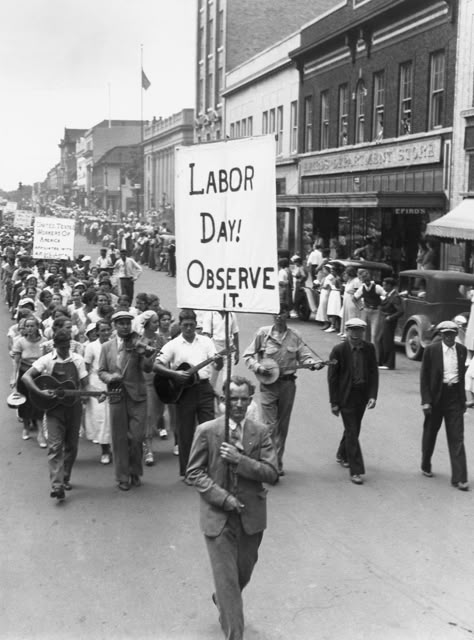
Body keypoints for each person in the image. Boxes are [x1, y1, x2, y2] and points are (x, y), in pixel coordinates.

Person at [186, 375, 278, 640]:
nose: (238, 404)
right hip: (218, 519)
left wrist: (240, 460)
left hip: (251, 519)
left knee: (241, 575)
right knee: (228, 583)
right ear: (222, 401)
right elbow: (194, 473)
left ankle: (223, 600)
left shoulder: (260, 432)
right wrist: (223, 498)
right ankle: (234, 633)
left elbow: (272, 472)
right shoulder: (207, 431)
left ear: (250, 401)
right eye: (232, 399)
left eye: (243, 399)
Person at [243, 303, 323, 476]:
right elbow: (247, 355)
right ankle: (268, 462)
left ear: (288, 315)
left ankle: (277, 462)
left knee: (282, 426)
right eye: (276, 313)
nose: (279, 316)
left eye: (283, 313)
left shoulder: (295, 336)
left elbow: (305, 356)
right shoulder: (263, 334)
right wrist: (258, 367)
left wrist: (313, 364)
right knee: (269, 426)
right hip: (268, 386)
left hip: (287, 384)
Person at [21, 329, 89, 501]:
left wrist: (93, 394)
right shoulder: (46, 360)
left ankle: (65, 476)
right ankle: (57, 485)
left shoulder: (78, 360)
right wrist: (40, 393)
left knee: (72, 445)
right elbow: (26, 378)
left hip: (74, 407)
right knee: (55, 446)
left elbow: (85, 385)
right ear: (55, 345)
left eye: (68, 346)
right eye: (62, 347)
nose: (65, 350)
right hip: (54, 410)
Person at [153, 308, 222, 478]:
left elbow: (217, 366)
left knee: (209, 429)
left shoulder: (206, 342)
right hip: (184, 391)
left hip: (204, 388)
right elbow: (156, 365)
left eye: (192, 325)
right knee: (185, 432)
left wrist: (219, 362)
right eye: (185, 325)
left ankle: (210, 469)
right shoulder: (173, 344)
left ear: (196, 324)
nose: (189, 328)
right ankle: (187, 471)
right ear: (180, 325)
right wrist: (175, 374)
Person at [98, 310, 155, 491]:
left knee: (137, 437)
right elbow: (101, 371)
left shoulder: (141, 342)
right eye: (121, 323)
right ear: (115, 326)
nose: (125, 326)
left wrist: (146, 354)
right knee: (120, 438)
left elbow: (147, 368)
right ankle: (122, 476)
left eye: (127, 323)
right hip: (116, 394)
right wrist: (110, 377)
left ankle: (135, 470)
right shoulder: (107, 347)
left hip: (137, 396)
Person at [327, 318, 379, 485]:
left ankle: (342, 453)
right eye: (352, 330)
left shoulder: (369, 349)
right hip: (345, 396)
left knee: (353, 429)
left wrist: (372, 396)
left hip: (362, 395)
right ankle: (356, 470)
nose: (355, 334)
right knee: (351, 430)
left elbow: (373, 374)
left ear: (363, 332)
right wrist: (334, 402)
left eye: (359, 331)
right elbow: (332, 378)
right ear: (347, 331)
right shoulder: (339, 350)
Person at [420, 321, 469, 491]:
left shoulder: (461, 351)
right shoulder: (431, 350)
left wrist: (463, 400)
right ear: (441, 335)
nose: (449, 337)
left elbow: (462, 377)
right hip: (435, 397)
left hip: (454, 397)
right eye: (445, 334)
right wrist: (426, 401)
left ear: (456, 335)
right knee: (430, 433)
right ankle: (426, 463)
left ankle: (460, 478)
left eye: (452, 334)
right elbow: (424, 377)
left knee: (457, 437)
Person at [353, 269, 384, 360]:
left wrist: (381, 305)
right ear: (362, 280)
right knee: (364, 333)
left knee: (374, 335)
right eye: (364, 279)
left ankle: (375, 358)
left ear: (370, 278)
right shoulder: (362, 288)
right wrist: (360, 307)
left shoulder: (377, 287)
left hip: (375, 311)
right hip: (366, 310)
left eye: (367, 279)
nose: (366, 281)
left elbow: (385, 296)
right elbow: (354, 298)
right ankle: (364, 355)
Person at [377, 277, 404, 370]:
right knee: (381, 340)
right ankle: (382, 361)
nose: (383, 287)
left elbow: (400, 311)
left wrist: (391, 317)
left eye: (384, 285)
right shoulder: (389, 295)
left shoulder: (395, 296)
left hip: (389, 321)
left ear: (389, 285)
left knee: (388, 341)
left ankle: (389, 364)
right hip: (385, 319)